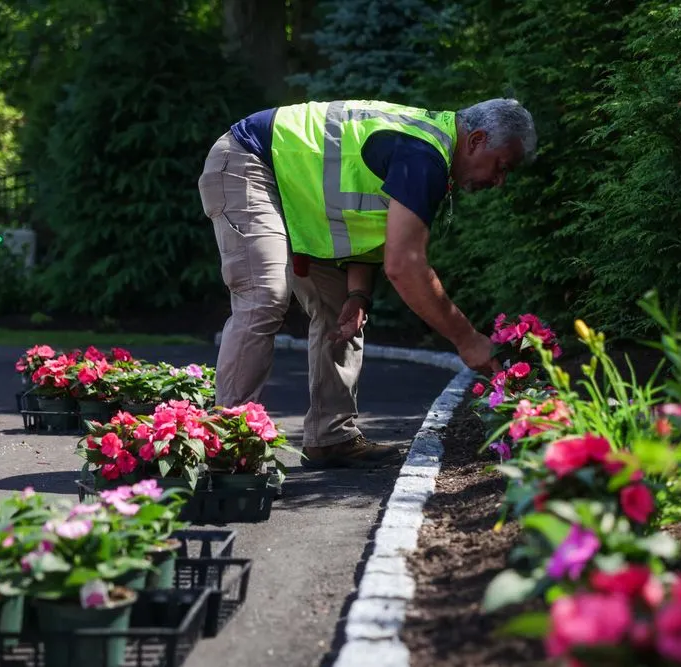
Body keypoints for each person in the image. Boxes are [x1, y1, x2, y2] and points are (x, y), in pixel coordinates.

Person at [197, 98, 537, 469]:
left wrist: (358, 293)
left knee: (343, 311)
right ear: (475, 140)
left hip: (298, 194)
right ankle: (228, 444)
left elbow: (363, 224)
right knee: (265, 296)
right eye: (502, 166)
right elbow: (405, 265)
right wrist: (467, 339)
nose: (500, 181)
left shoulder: (430, 149)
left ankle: (330, 437)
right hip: (249, 160)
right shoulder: (424, 155)